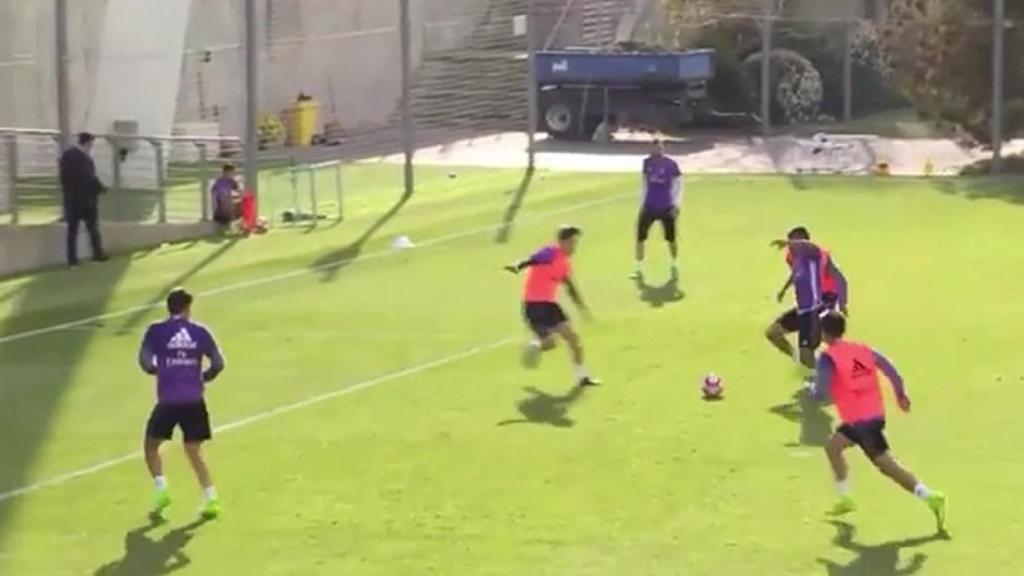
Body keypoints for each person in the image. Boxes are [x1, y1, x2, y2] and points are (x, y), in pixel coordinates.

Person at [810, 312, 946, 531]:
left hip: (859, 421)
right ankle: (845, 498)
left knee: (886, 465)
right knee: (833, 446)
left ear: (823, 332)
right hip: (871, 416)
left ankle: (929, 495)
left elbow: (821, 393)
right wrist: (901, 394)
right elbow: (891, 369)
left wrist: (812, 391)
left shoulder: (828, 358)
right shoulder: (863, 350)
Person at [139, 288, 225, 519]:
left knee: (151, 447)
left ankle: (161, 489)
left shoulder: (156, 331)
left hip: (168, 402)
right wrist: (202, 377)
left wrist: (159, 371)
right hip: (194, 401)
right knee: (193, 450)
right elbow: (218, 363)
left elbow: (145, 361)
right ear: (187, 308)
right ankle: (211, 497)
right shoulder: (199, 332)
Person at [505, 225, 600, 387]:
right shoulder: (550, 252)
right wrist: (518, 266)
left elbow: (568, 285)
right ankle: (536, 345)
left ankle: (582, 377)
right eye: (571, 242)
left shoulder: (564, 263)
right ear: (562, 242)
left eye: (575, 243)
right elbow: (532, 259)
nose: (574, 246)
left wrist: (580, 305)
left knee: (573, 339)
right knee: (550, 344)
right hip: (533, 306)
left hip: (550, 305)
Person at [766, 227, 848, 382]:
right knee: (773, 333)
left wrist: (788, 242)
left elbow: (808, 246)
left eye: (794, 242)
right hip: (802, 310)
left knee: (808, 353)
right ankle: (800, 360)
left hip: (812, 310)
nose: (791, 247)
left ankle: (829, 379)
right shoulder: (797, 258)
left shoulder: (813, 254)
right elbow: (796, 273)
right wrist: (784, 289)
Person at [632, 139, 683, 281]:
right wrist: (641, 202)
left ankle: (674, 264)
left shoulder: (670, 164)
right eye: (654, 149)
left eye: (659, 148)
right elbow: (644, 183)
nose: (656, 151)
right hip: (649, 206)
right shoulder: (646, 163)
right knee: (640, 237)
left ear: (662, 149)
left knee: (671, 238)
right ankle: (638, 268)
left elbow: (679, 184)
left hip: (666, 207)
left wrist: (676, 204)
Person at [59, 132, 108, 267]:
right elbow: (90, 178)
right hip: (86, 199)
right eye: (91, 143)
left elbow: (64, 178)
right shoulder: (84, 159)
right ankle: (97, 254)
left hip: (72, 199)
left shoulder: (68, 155)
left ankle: (72, 260)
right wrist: (101, 189)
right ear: (87, 142)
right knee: (92, 228)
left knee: (73, 231)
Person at [211, 163, 241, 228]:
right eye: (232, 173)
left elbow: (239, 192)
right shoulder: (219, 182)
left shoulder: (232, 181)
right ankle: (226, 222)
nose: (233, 174)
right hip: (221, 209)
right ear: (227, 172)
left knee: (242, 202)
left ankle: (237, 223)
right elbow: (219, 197)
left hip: (229, 206)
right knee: (227, 201)